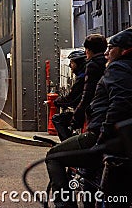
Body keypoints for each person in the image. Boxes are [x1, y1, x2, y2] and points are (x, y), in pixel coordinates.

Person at [45, 29, 132, 208]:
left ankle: (65, 205)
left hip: (103, 134)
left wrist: (102, 136)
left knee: (54, 156)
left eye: (112, 48)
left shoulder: (118, 68)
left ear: (125, 50)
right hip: (123, 138)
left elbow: (118, 103)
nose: (107, 52)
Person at [71, 34, 107, 131]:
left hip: (94, 110)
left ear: (89, 50)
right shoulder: (108, 62)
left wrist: (77, 115)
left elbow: (88, 93)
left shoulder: (92, 65)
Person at [52, 50, 86, 141]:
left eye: (72, 62)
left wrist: (58, 101)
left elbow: (71, 97)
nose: (70, 66)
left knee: (57, 119)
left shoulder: (82, 78)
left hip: (83, 112)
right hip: (84, 110)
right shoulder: (85, 75)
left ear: (78, 63)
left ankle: (68, 144)